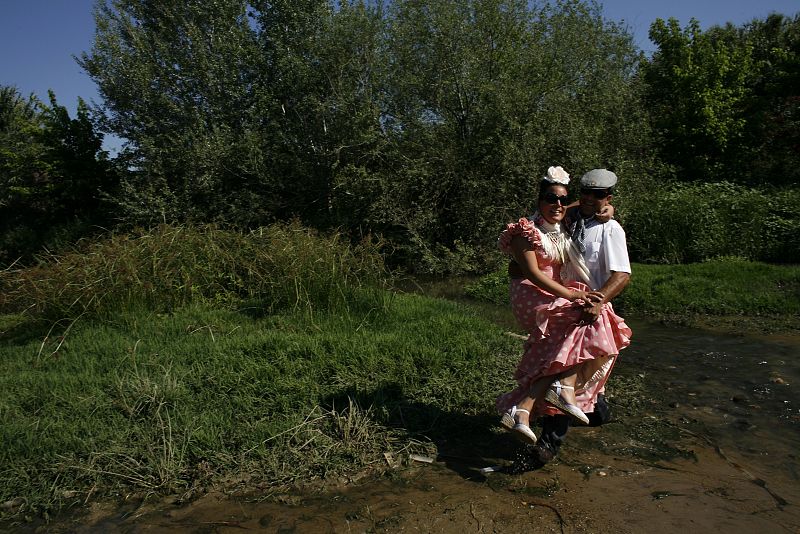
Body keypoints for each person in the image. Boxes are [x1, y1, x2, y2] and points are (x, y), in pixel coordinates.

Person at [496, 166, 632, 450]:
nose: (589, 199)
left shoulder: (608, 228)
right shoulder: (559, 221)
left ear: (608, 197)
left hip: (582, 300)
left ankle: (530, 408)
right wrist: (575, 296)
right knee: (567, 357)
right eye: (586, 193)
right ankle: (547, 443)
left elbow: (622, 274)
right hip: (557, 299)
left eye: (598, 195)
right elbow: (533, 272)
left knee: (581, 362)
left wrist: (598, 300)